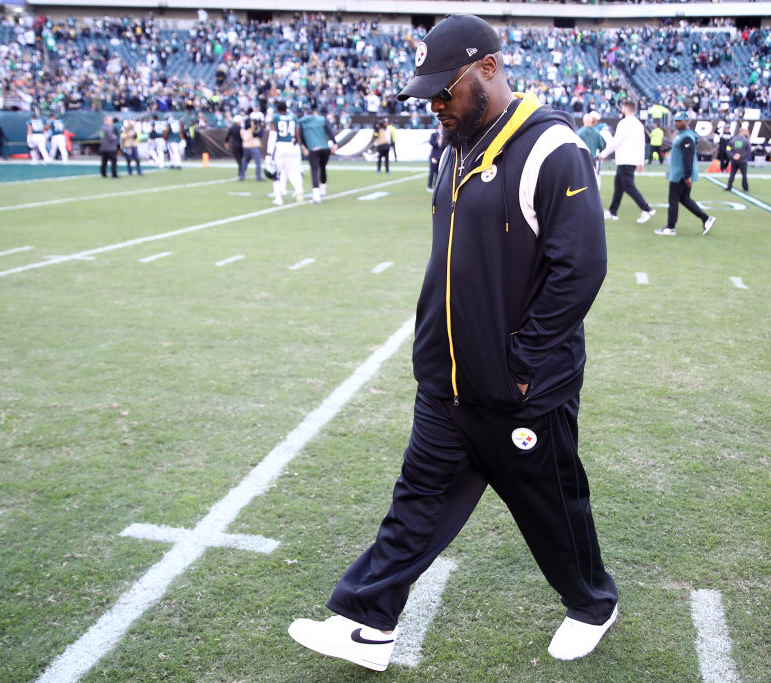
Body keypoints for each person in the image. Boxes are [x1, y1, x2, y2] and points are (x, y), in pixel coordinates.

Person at [288, 13, 618, 673]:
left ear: (490, 69)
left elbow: (580, 267)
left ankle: (592, 603)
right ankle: (367, 622)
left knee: (553, 509)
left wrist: (522, 363)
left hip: (521, 389)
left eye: (447, 90)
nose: (436, 105)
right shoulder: (459, 143)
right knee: (416, 500)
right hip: (447, 382)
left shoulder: (553, 148)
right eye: (430, 95)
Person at [654, 112, 716, 236]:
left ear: (686, 121)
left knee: (673, 200)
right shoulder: (682, 135)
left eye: (679, 121)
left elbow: (688, 158)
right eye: (676, 120)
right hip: (678, 172)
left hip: (681, 174)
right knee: (684, 199)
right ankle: (706, 219)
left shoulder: (687, 137)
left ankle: (670, 227)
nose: (677, 122)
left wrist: (687, 175)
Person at [599, 99, 655, 224]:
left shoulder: (624, 123)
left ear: (625, 108)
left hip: (625, 158)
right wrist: (641, 161)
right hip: (632, 159)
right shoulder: (638, 124)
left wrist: (603, 154)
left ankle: (646, 209)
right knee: (619, 185)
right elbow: (642, 144)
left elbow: (616, 141)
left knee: (628, 186)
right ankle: (613, 211)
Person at [268, 101, 305, 205]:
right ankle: (298, 189)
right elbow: (297, 133)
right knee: (292, 171)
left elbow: (272, 136)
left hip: (280, 145)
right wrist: (296, 143)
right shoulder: (293, 117)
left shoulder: (276, 118)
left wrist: (269, 153)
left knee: (277, 172)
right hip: (291, 145)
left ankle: (278, 198)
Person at [298, 104, 337, 203]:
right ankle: (323, 189)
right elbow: (329, 131)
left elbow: (301, 136)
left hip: (313, 148)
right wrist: (335, 142)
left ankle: (316, 195)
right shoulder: (321, 119)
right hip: (324, 147)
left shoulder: (302, 123)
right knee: (323, 167)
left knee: (314, 170)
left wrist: (305, 146)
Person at [575, 111, 605, 179]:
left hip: (582, 158)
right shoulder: (597, 132)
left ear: (583, 121)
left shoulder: (579, 132)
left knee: (582, 178)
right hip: (593, 158)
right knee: (593, 178)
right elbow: (601, 146)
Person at [724, 124, 751, 192]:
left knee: (732, 173)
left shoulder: (733, 140)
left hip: (734, 160)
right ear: (743, 131)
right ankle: (745, 187)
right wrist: (741, 156)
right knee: (744, 175)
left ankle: (729, 186)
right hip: (742, 160)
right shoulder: (746, 141)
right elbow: (748, 151)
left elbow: (728, 149)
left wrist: (733, 156)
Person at [239, 111, 265, 181]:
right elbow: (259, 134)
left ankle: (241, 175)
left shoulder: (242, 130)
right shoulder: (252, 130)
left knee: (245, 162)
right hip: (253, 146)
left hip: (245, 147)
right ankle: (258, 177)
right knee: (258, 162)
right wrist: (260, 126)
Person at [427, 123, 444, 192]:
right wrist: (438, 142)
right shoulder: (434, 134)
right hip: (434, 156)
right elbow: (432, 142)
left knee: (439, 172)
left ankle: (436, 186)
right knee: (432, 171)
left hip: (441, 156)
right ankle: (429, 186)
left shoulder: (445, 135)